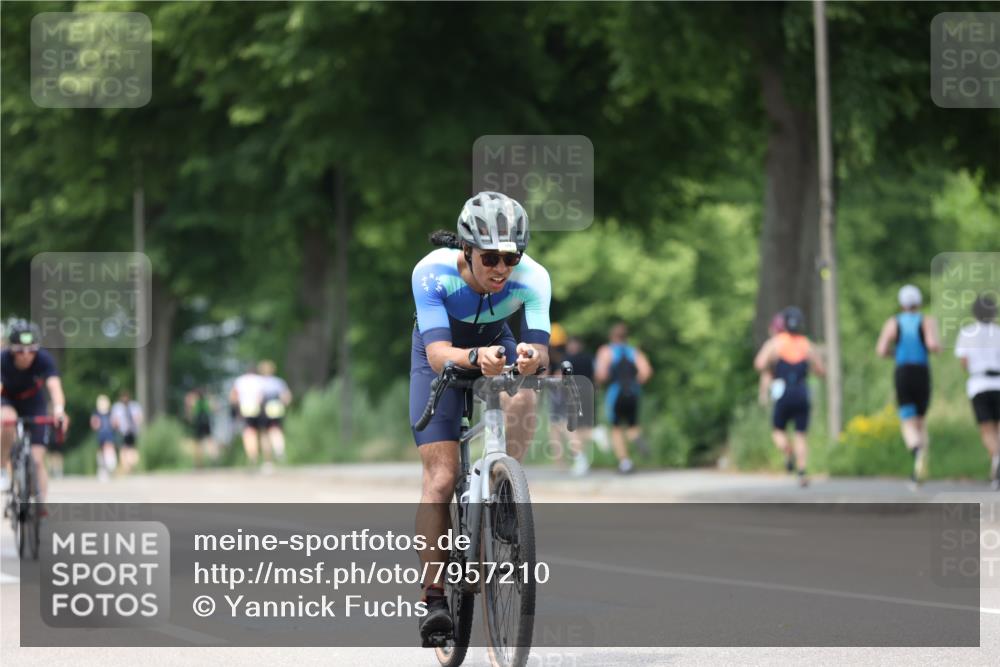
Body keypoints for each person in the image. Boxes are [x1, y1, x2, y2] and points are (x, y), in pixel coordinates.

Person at [410, 191, 549, 643]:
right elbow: (436, 354)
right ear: (466, 250)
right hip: (442, 351)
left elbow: (541, 350)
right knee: (441, 477)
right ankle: (434, 598)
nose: (501, 269)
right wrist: (473, 356)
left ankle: (503, 493)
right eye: (490, 258)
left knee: (525, 395)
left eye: (511, 258)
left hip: (496, 340)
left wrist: (529, 359)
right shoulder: (432, 272)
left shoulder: (534, 278)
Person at [754, 306, 825, 487]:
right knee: (801, 435)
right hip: (802, 391)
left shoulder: (776, 343)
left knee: (778, 431)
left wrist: (773, 366)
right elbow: (821, 371)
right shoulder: (806, 344)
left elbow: (759, 363)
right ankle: (802, 471)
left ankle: (787, 451)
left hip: (783, 392)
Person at [876, 284, 940, 484]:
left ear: (902, 303)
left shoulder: (893, 322)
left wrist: (896, 353)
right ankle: (921, 465)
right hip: (922, 371)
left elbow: (881, 350)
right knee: (921, 420)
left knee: (907, 420)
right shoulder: (927, 321)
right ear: (919, 302)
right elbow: (932, 345)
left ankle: (916, 452)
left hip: (903, 372)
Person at [0, 320, 68, 503]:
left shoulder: (43, 358)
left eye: (31, 350)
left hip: (33, 401)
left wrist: (59, 411)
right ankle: (2, 467)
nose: (26, 355)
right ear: (11, 349)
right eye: (20, 350)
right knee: (7, 420)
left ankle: (40, 508)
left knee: (37, 462)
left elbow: (54, 386)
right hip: (7, 398)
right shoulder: (2, 359)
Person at [595, 323, 653, 474]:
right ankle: (636, 438)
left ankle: (625, 462)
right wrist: (634, 382)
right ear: (626, 337)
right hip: (633, 391)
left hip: (616, 392)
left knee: (616, 428)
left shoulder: (606, 351)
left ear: (612, 337)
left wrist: (602, 381)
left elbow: (601, 374)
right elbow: (646, 372)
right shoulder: (634, 352)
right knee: (633, 424)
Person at [955, 294, 1000, 490]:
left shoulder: (967, 332)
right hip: (999, 382)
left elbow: (964, 362)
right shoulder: (998, 332)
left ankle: (996, 458)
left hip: (979, 384)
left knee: (987, 428)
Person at [230, 364, 266, 468]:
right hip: (257, 408)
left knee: (248, 433)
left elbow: (233, 396)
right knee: (259, 432)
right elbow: (261, 396)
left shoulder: (240, 380)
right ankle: (262, 456)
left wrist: (235, 410)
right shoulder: (260, 380)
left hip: (245, 408)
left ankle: (252, 456)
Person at [258, 360, 292, 464]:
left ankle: (268, 460)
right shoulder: (278, 382)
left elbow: (258, 398)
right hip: (276, 408)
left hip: (264, 409)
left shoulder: (259, 382)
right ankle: (279, 451)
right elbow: (287, 397)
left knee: (265, 434)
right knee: (276, 431)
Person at [758, 312, 787, 407]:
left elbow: (759, 364)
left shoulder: (773, 344)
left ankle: (763, 400)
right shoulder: (796, 341)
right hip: (798, 386)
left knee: (766, 373)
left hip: (779, 385)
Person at [111, 390, 143, 474]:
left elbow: (139, 417)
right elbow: (114, 419)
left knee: (132, 448)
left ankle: (131, 466)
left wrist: (137, 420)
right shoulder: (117, 407)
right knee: (123, 449)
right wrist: (115, 424)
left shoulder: (134, 406)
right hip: (122, 431)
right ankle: (125, 467)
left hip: (132, 431)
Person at [185, 387, 218, 468]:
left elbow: (189, 411)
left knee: (198, 443)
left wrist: (189, 417)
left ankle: (198, 463)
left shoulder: (195, 401)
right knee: (210, 440)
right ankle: (213, 457)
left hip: (198, 423)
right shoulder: (206, 401)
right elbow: (214, 409)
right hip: (206, 422)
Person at [90, 394, 117, 481]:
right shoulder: (96, 413)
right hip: (101, 434)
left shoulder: (110, 412)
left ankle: (110, 466)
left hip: (109, 433)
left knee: (109, 448)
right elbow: (93, 423)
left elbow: (115, 422)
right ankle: (103, 469)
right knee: (102, 451)